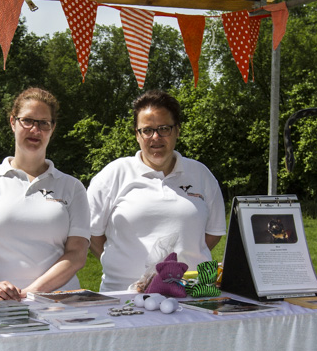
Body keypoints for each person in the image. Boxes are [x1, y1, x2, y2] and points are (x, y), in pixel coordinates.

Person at [0, 88, 90, 301]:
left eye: (43, 123)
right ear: (12, 122)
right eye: (27, 120)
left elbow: (77, 255)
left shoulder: (72, 187)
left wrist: (30, 293)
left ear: (52, 128)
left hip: (57, 306)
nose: (35, 130)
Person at [87, 89, 226, 291]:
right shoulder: (113, 175)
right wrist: (121, 265)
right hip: (123, 297)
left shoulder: (201, 174)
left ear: (177, 130)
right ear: (137, 135)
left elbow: (212, 234)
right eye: (147, 130)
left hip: (189, 297)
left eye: (164, 129)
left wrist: (179, 264)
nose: (155, 137)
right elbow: (92, 235)